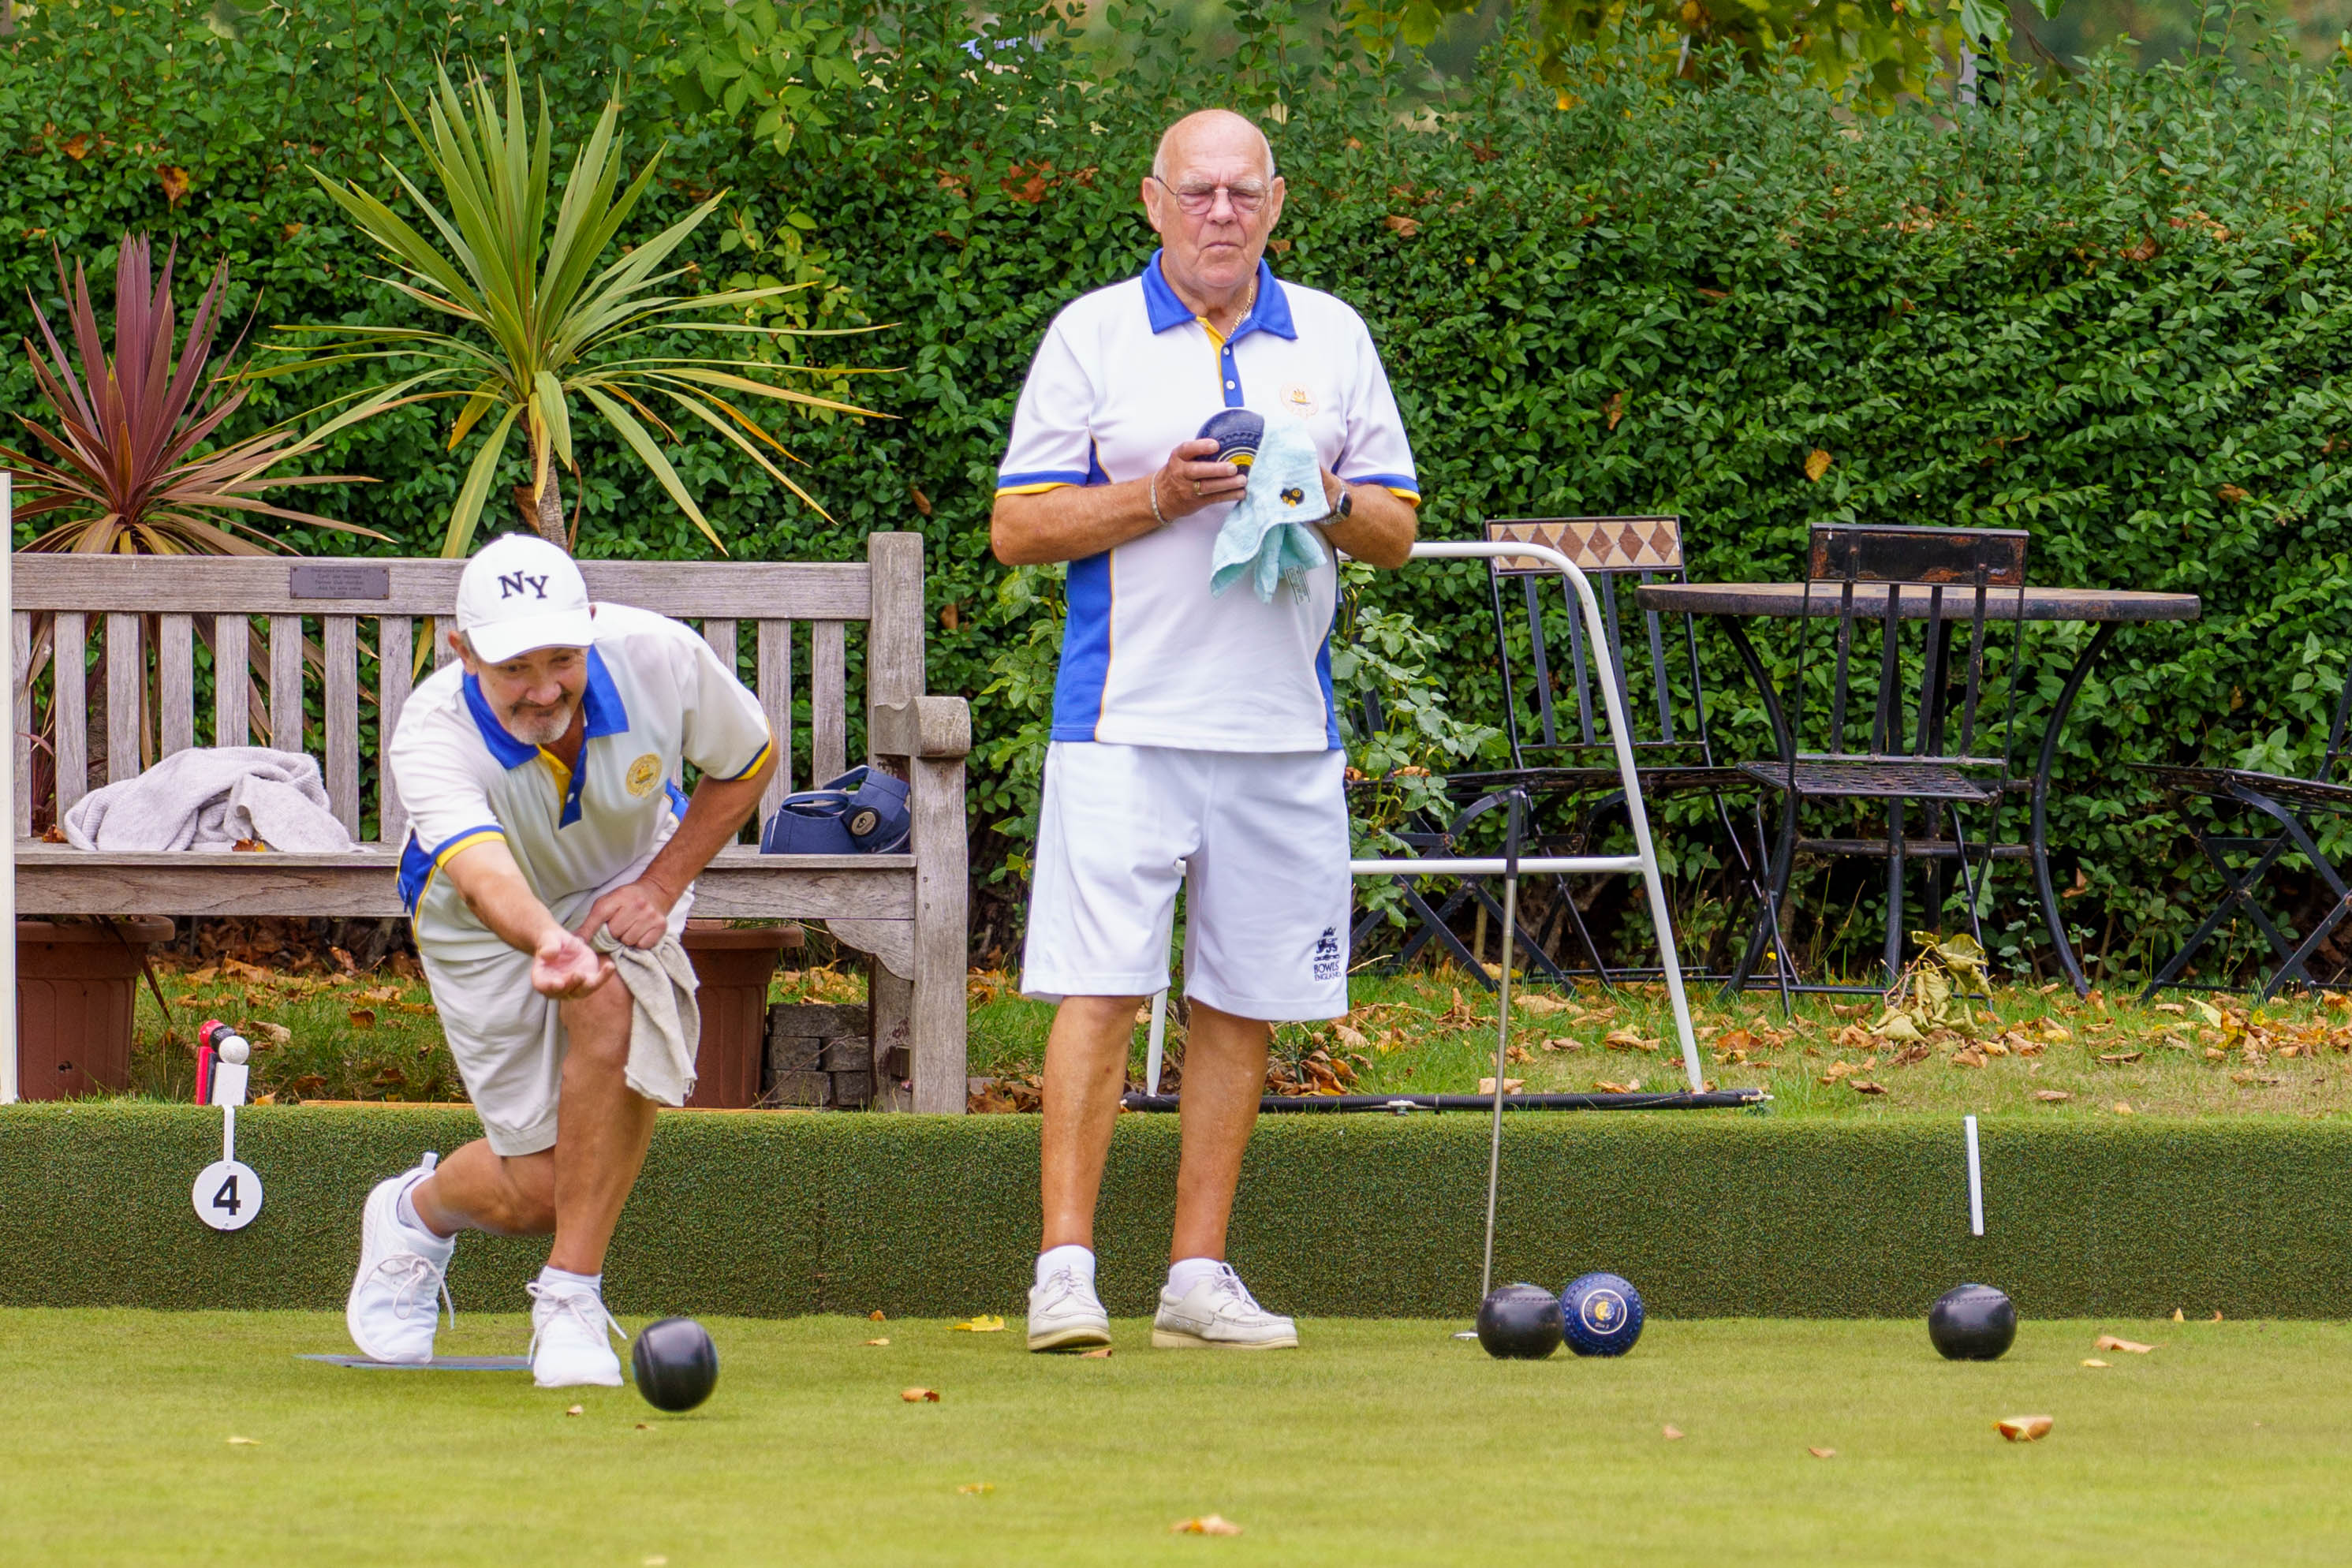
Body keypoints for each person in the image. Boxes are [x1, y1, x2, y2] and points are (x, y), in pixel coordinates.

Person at [991, 108, 1421, 1352]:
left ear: (1275, 203)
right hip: (1121, 718)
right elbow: (1017, 527)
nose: (1219, 212)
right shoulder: (1092, 333)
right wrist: (1157, 496)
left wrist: (1325, 496)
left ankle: (1194, 1277)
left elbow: (1391, 529)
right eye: (1197, 192)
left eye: (1241, 192)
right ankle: (1063, 1274)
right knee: (1103, 990)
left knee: (1240, 1003)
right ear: (1152, 201)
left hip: (1284, 729)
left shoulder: (1333, 335)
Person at [345, 533, 775, 1387]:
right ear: (462, 650)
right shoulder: (431, 734)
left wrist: (658, 884)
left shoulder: (659, 655)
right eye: (515, 668)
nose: (544, 688)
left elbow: (747, 760)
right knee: (542, 1189)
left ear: (588, 628)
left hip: (625, 873)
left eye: (562, 659)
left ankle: (569, 1297)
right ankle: (414, 1211)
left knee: (614, 1006)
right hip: (479, 920)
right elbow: (482, 870)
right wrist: (548, 939)